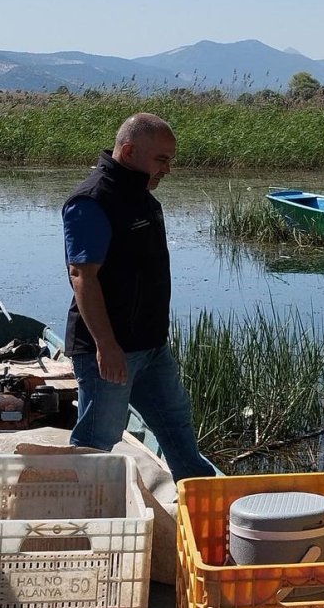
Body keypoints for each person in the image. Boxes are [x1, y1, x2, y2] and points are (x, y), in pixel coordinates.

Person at [62, 112, 216, 478]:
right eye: (161, 159)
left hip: (151, 346)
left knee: (177, 429)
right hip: (111, 351)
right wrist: (106, 345)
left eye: (170, 161)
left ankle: (200, 500)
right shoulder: (92, 200)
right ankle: (82, 519)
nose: (167, 169)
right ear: (129, 151)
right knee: (96, 442)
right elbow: (82, 277)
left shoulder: (141, 195)